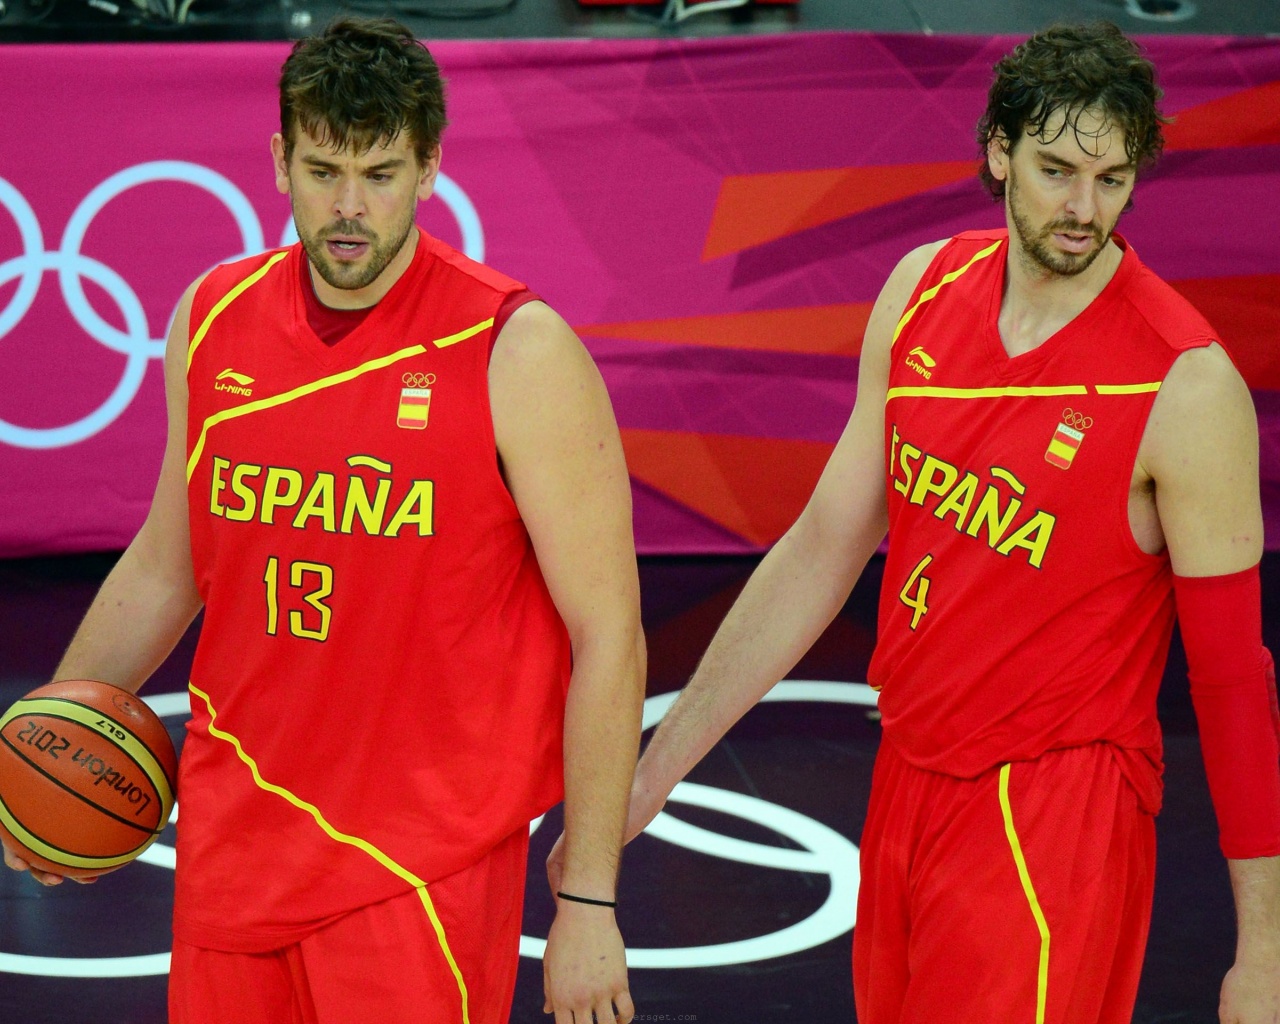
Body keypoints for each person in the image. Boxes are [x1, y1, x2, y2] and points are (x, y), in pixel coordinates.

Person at [601, 22, 1280, 1024]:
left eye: (1110, 178)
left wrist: (1258, 952)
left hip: (1052, 815)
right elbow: (824, 546)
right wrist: (653, 776)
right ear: (997, 150)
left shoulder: (1183, 386)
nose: (1082, 209)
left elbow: (1229, 681)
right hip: (908, 776)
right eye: (1054, 170)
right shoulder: (921, 290)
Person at [1, 16, 644, 1024]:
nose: (348, 208)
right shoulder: (211, 318)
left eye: (381, 173)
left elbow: (607, 635)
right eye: (322, 169)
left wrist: (590, 898)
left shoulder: (515, 352)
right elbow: (167, 568)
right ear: (278, 161)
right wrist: (49, 740)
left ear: (430, 167)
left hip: (414, 862)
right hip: (233, 836)